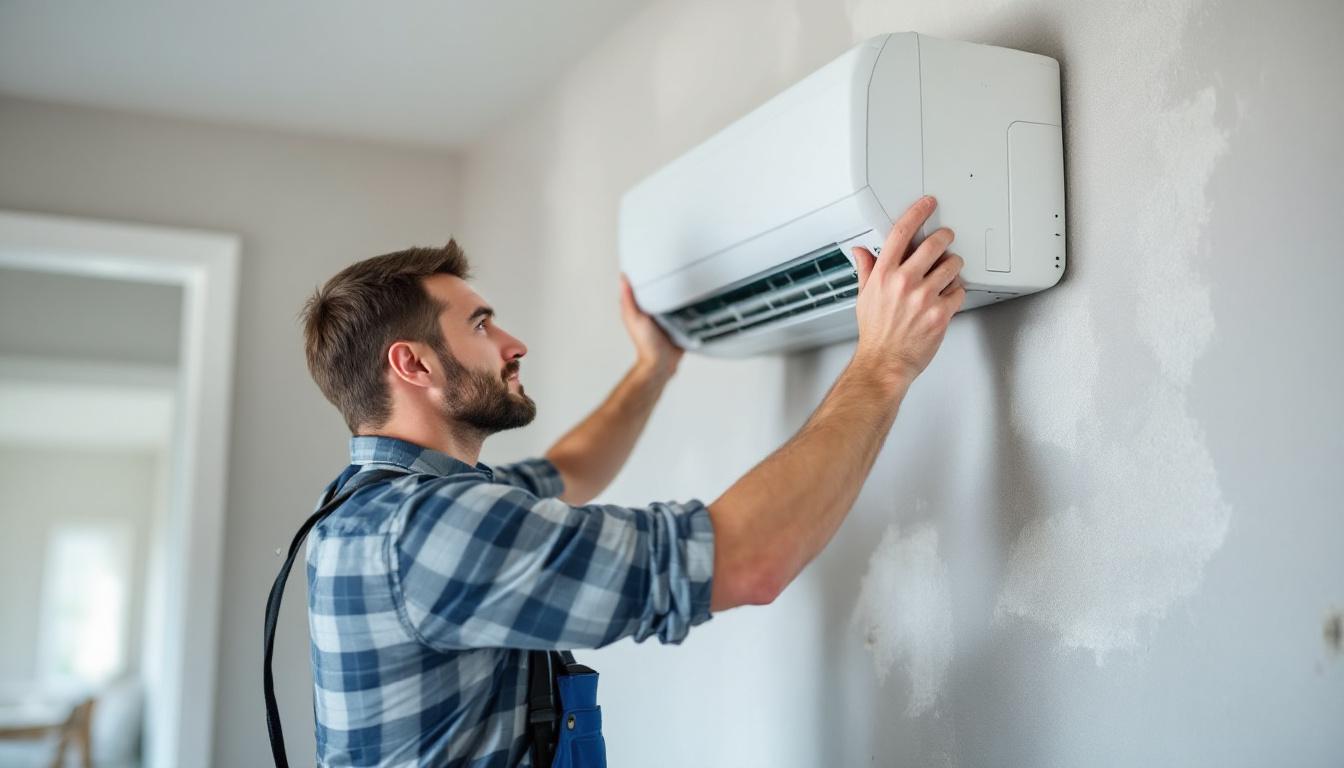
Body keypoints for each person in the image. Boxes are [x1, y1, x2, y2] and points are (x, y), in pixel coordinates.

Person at [298, 195, 964, 766]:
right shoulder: (428, 529)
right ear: (412, 364)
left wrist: (653, 367)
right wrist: (883, 364)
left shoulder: (376, 506)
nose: (513, 343)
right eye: (479, 324)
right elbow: (746, 560)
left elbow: (568, 470)